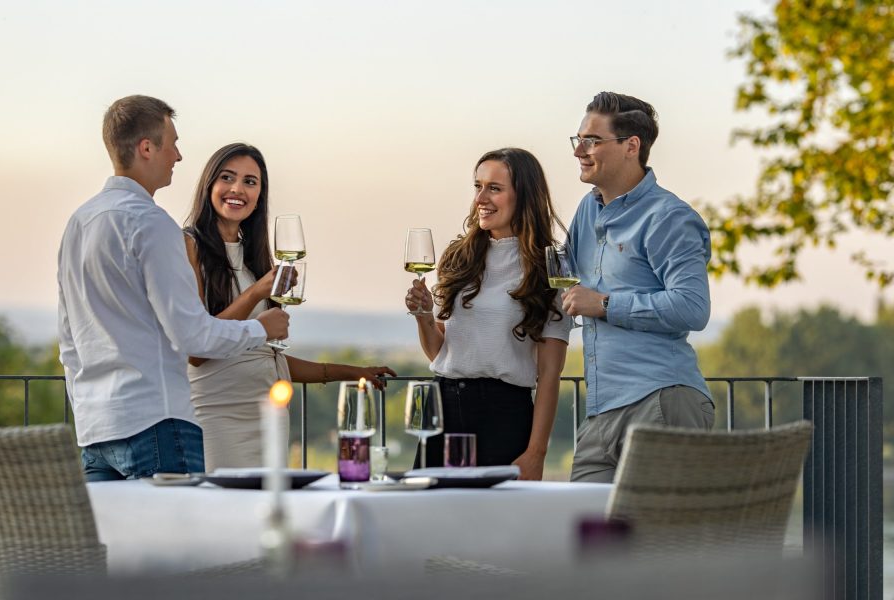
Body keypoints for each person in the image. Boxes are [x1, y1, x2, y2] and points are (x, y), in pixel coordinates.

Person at [57, 96, 290, 482]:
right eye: (173, 143)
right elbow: (193, 336)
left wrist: (87, 410)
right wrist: (262, 328)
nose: (178, 156)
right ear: (147, 148)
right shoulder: (153, 225)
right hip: (158, 424)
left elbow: (69, 341)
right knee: (181, 542)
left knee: (118, 543)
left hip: (96, 429)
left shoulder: (78, 223)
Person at [183, 142, 396, 470]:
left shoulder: (255, 259)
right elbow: (196, 351)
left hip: (269, 418)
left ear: (260, 196)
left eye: (250, 182)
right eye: (227, 178)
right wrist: (256, 293)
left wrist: (351, 372)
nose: (238, 189)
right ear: (209, 184)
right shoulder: (189, 245)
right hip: (219, 419)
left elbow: (267, 356)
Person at [563, 92, 714, 483]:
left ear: (632, 146)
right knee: (588, 540)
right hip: (601, 413)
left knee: (664, 543)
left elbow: (692, 307)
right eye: (578, 139)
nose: (580, 149)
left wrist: (604, 304)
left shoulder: (668, 217)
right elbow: (558, 279)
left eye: (592, 140)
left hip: (661, 403)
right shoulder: (587, 209)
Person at [405, 147, 570, 480]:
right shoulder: (458, 258)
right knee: (431, 524)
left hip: (505, 417)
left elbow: (549, 376)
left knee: (497, 528)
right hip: (443, 410)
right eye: (477, 186)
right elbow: (440, 351)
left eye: (494, 188)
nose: (481, 197)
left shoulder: (549, 267)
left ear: (524, 196)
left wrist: (536, 453)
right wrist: (424, 316)